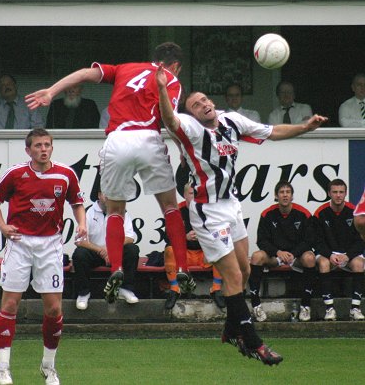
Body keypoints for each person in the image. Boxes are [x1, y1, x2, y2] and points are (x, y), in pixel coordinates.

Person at [156, 63, 328, 365]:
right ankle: (253, 342)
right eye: (197, 104)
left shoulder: (231, 120)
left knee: (245, 271)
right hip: (207, 211)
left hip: (231, 205)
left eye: (206, 99)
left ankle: (230, 327)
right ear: (192, 114)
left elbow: (272, 131)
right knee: (233, 275)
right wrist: (161, 88)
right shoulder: (192, 129)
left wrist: (305, 127)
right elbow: (170, 117)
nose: (205, 104)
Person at [25, 42, 195, 304]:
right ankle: (182, 269)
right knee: (171, 206)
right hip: (148, 137)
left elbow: (84, 74)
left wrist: (52, 90)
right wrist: (183, 147)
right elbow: (169, 117)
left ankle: (115, 267)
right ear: (175, 66)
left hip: (117, 140)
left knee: (115, 210)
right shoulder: (170, 78)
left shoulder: (124, 69)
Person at [0, 128, 86, 385]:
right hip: (20, 244)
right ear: (28, 149)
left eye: (47, 145)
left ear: (52, 147)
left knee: (53, 308)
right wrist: (3, 227)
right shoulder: (15, 174)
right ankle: (3, 368)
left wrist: (81, 224)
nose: (43, 149)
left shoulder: (65, 174)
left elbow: (77, 203)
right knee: (10, 305)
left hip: (50, 245)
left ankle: (48, 367)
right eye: (38, 145)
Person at [248, 180, 317, 323]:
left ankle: (305, 305)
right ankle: (256, 305)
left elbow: (310, 240)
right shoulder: (267, 214)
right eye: (281, 192)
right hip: (275, 256)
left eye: (288, 192)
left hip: (296, 256)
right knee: (256, 256)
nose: (285, 195)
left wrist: (294, 253)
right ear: (276, 196)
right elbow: (262, 241)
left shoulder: (303, 214)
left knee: (310, 258)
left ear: (292, 196)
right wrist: (278, 252)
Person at [73, 185, 139, 309]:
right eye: (105, 193)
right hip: (95, 252)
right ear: (99, 195)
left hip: (115, 252)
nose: (109, 196)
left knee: (132, 250)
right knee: (79, 254)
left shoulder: (122, 212)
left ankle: (126, 289)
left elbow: (130, 238)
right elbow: (80, 241)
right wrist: (101, 250)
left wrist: (110, 248)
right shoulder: (88, 211)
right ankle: (83, 293)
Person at [164, 183, 224, 310]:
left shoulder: (208, 210)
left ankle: (216, 288)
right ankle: (175, 288)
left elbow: (220, 234)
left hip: (203, 254)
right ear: (185, 195)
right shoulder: (176, 211)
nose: (194, 197)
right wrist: (184, 237)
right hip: (184, 255)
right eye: (191, 194)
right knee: (169, 250)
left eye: (197, 194)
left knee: (221, 249)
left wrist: (205, 238)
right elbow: (167, 237)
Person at [313, 178, 365, 321]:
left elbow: (360, 240)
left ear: (345, 193)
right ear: (329, 193)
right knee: (323, 264)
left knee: (359, 263)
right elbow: (317, 241)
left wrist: (348, 256)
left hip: (347, 255)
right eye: (335, 192)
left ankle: (355, 308)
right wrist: (329, 255)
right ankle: (329, 309)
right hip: (328, 254)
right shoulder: (320, 213)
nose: (338, 195)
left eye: (341, 192)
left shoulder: (354, 212)